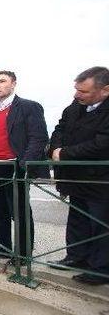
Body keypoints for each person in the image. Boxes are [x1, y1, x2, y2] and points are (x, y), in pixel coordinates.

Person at [48, 66, 109, 285]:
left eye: (83, 92)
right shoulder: (74, 106)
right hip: (74, 178)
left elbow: (102, 144)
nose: (76, 95)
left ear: (105, 90)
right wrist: (54, 149)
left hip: (100, 180)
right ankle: (75, 257)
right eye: (76, 90)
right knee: (77, 220)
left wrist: (65, 153)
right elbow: (59, 130)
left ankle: (101, 269)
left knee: (100, 225)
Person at [0, 71, 49, 260]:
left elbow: (39, 137)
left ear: (14, 84)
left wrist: (24, 163)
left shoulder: (29, 107)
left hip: (14, 166)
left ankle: (23, 254)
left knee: (19, 213)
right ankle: (0, 247)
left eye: (2, 81)